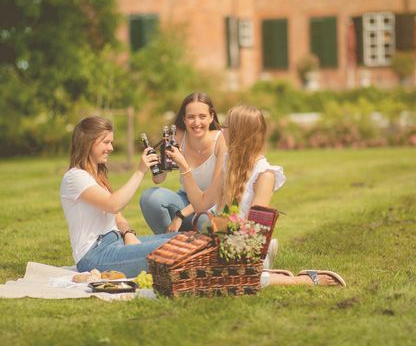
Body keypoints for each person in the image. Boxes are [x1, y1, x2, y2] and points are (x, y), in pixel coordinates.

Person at [167, 105, 346, 287]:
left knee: (212, 280)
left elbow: (254, 233)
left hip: (239, 247)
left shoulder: (264, 174)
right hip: (216, 240)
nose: (220, 130)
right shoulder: (229, 162)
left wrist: (213, 226)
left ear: (239, 132)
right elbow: (200, 204)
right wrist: (184, 166)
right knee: (177, 266)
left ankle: (303, 280)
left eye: (226, 126)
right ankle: (264, 271)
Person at [60, 116, 175, 278]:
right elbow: (113, 205)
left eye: (111, 142)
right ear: (88, 142)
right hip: (95, 256)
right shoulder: (75, 178)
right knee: (173, 248)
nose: (111, 148)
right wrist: (140, 171)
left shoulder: (97, 176)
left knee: (182, 238)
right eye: (106, 142)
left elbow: (116, 214)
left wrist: (128, 233)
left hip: (116, 242)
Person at [139, 92, 227, 234]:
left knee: (205, 222)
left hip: (212, 205)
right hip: (185, 199)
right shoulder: (178, 136)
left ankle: (192, 244)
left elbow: (213, 196)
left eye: (202, 116)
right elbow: (158, 179)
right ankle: (168, 245)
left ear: (211, 117)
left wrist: (181, 215)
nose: (196, 123)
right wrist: (159, 163)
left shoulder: (220, 141)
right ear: (184, 119)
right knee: (149, 197)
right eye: (191, 117)